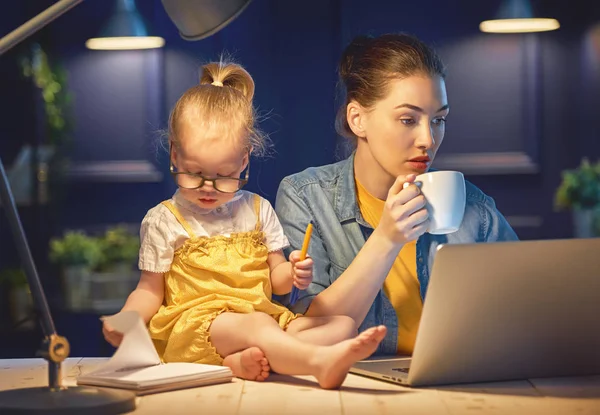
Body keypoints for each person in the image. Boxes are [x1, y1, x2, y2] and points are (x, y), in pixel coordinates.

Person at [101, 59, 387, 389]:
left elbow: (277, 282)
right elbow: (149, 290)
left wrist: (293, 273)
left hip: (261, 317)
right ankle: (316, 363)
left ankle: (238, 362)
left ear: (244, 160)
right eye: (194, 173)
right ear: (175, 155)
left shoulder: (257, 209)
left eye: (224, 176)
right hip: (197, 326)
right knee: (256, 327)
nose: (208, 187)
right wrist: (128, 319)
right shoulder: (164, 219)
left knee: (342, 327)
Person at [275, 33, 518, 356]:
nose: (428, 139)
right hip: (357, 388)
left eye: (438, 120)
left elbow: (529, 310)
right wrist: (387, 239)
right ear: (357, 119)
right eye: (408, 119)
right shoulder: (305, 197)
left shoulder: (475, 209)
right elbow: (308, 330)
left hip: (459, 381)